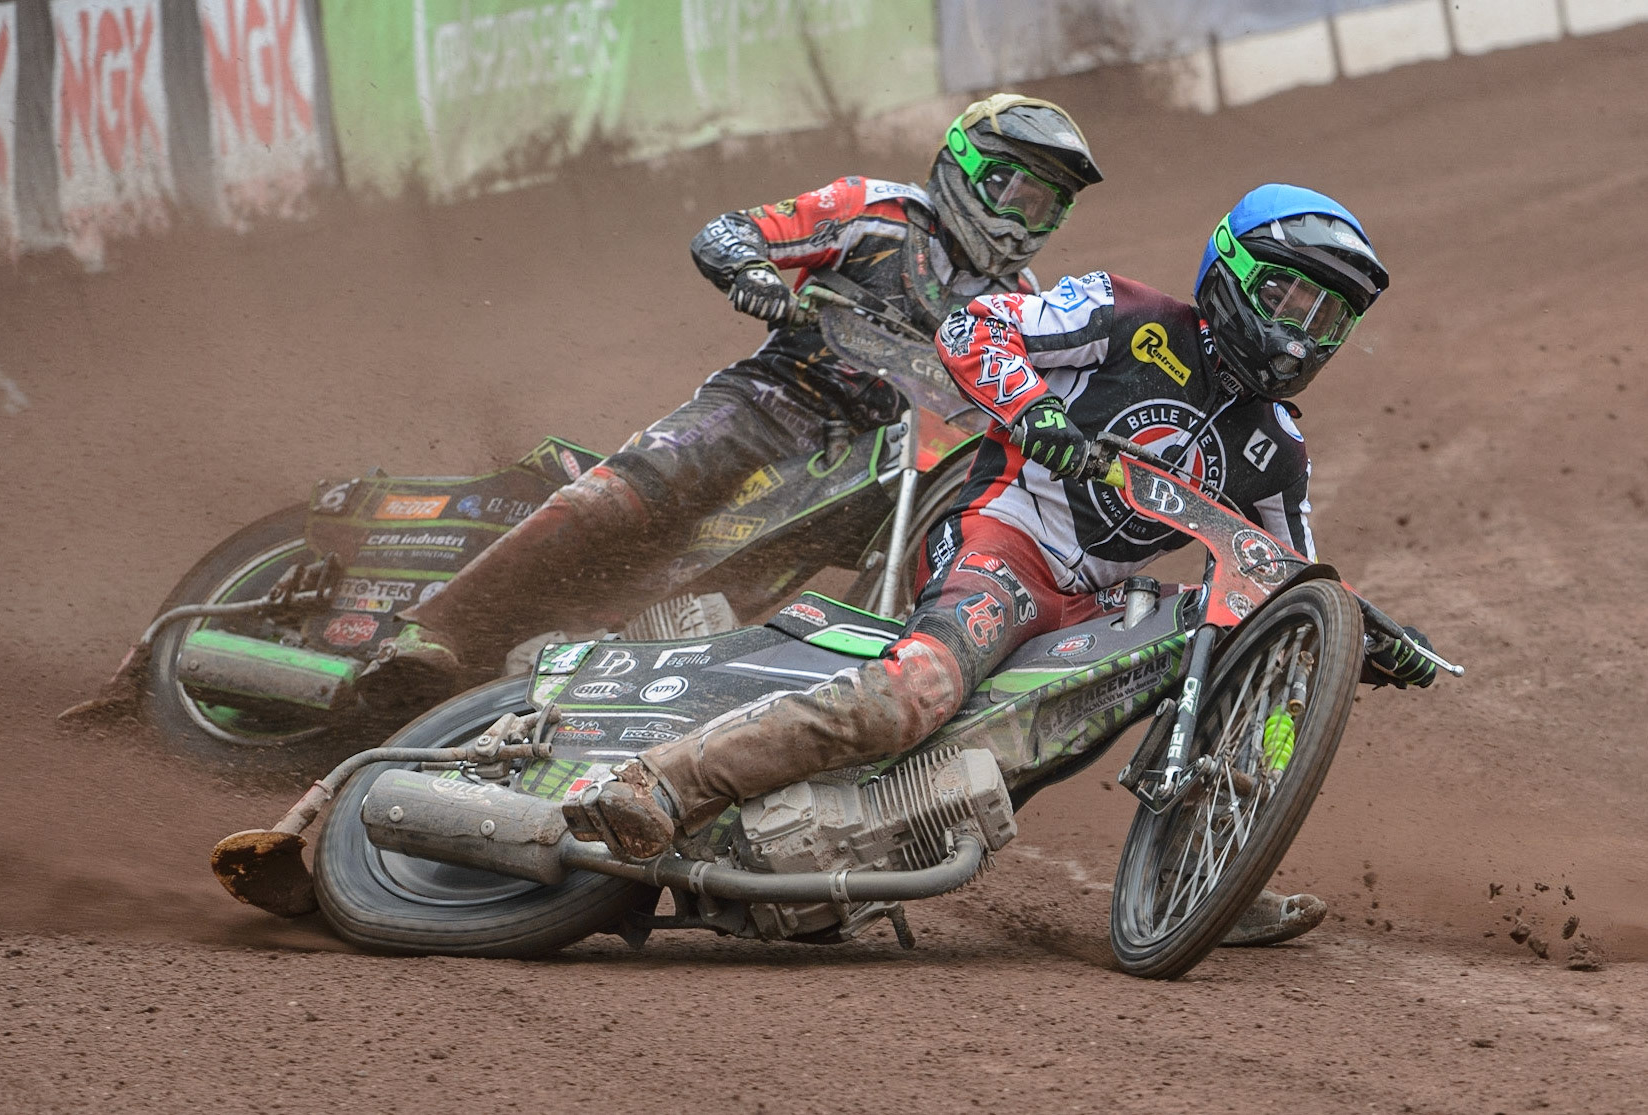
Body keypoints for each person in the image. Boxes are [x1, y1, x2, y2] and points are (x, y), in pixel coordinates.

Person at [566, 183, 1437, 946]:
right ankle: (664, 785)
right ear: (1233, 272)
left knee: (1249, 642)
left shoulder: (1277, 447)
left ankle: (1209, 863)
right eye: (1291, 299)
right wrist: (1031, 412)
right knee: (916, 696)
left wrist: (1365, 629)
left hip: (1097, 598)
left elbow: (1288, 570)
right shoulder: (1128, 315)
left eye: (1330, 318)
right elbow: (975, 325)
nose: (1305, 333)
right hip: (1003, 541)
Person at [360, 93, 1104, 703]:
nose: (1020, 221)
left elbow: (1024, 393)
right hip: (767, 403)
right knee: (627, 494)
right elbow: (731, 230)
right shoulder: (875, 213)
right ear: (963, 169)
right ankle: (431, 628)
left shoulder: (1021, 303)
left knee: (752, 593)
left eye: (1044, 208)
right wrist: (751, 270)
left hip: (871, 462)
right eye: (1014, 190)